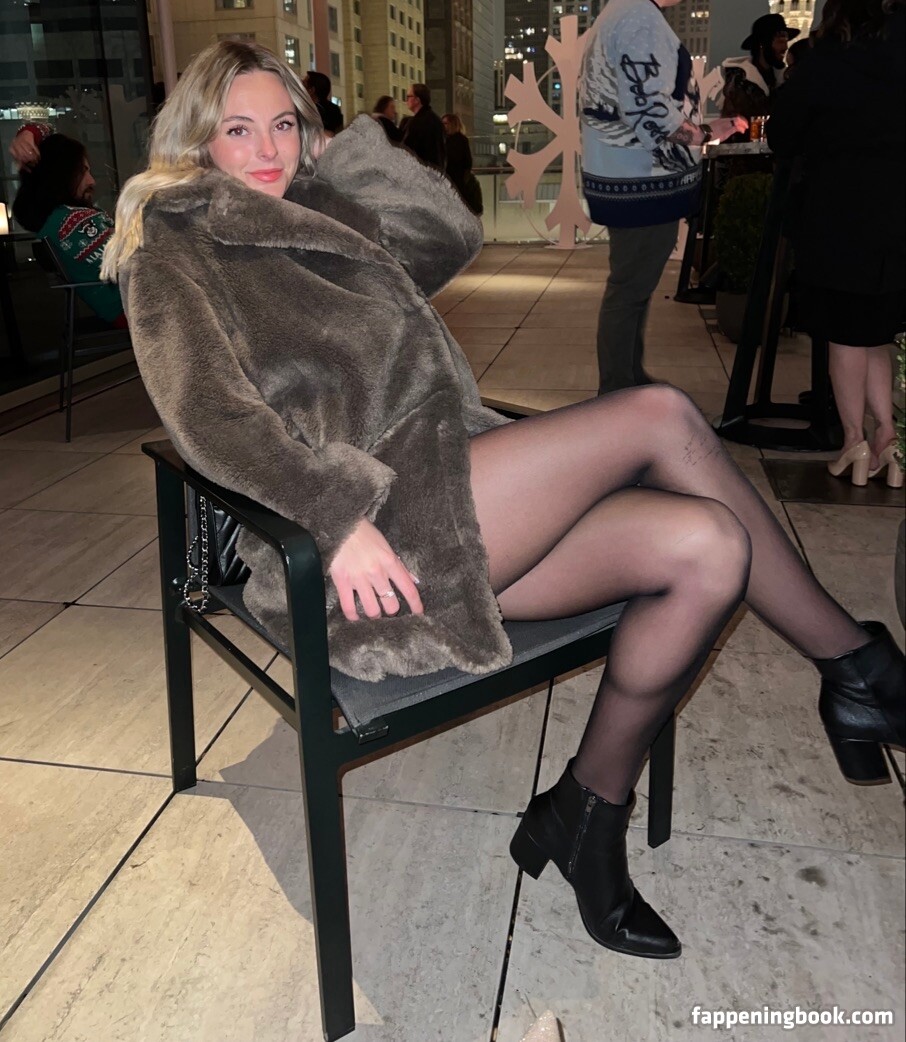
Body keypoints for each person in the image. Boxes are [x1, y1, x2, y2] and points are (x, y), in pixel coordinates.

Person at [102, 40, 904, 963]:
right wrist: (335, 514)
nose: (267, 148)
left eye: (284, 125)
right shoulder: (175, 241)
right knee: (659, 415)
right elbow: (211, 419)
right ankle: (860, 670)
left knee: (711, 549)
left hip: (455, 486)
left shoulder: (316, 206)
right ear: (198, 138)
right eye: (239, 130)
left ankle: (585, 814)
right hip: (369, 536)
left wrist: (342, 157)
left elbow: (450, 235)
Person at [768, 0, 905, 488]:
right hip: (897, 213)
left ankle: (854, 442)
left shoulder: (826, 61)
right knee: (877, 332)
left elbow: (783, 134)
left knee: (845, 334)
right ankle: (888, 438)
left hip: (839, 213)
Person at [579, 0, 746, 394]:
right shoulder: (638, 16)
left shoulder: (625, 12)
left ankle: (627, 380)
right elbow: (649, 111)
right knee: (629, 290)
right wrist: (706, 134)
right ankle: (618, 389)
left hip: (630, 176)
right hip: (641, 182)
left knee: (631, 288)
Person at [11, 129, 126, 327]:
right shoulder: (72, 223)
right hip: (137, 306)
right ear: (62, 176)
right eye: (83, 171)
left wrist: (29, 132)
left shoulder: (56, 220)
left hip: (133, 302)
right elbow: (131, 262)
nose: (91, 181)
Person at [722, 14, 800, 122]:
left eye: (786, 42)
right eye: (780, 42)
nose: (785, 47)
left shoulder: (781, 79)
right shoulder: (740, 81)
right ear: (763, 44)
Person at [441, 112, 482, 215]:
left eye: (445, 123)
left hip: (455, 178)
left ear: (452, 124)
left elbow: (467, 161)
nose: (443, 126)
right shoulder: (451, 139)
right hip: (453, 178)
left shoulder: (454, 140)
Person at [401, 83, 445, 170]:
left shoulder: (417, 121)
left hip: (420, 170)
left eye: (408, 96)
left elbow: (408, 149)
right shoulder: (436, 120)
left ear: (417, 100)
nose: (406, 100)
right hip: (435, 170)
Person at [303, 70, 343, 136]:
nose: (300, 88)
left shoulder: (308, 111)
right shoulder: (335, 110)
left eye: (303, 84)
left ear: (311, 90)